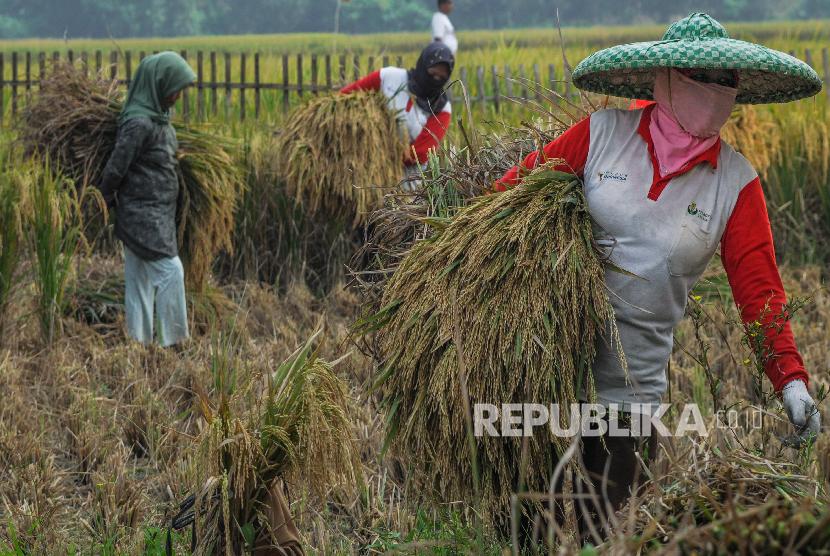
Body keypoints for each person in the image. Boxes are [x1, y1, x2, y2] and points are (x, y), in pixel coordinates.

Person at [495, 13, 823, 543]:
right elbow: (512, 199)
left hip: (631, 396)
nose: (715, 89)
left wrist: (790, 379)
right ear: (665, 77)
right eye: (700, 74)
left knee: (608, 536)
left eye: (726, 79)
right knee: (526, 534)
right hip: (545, 378)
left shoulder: (735, 183)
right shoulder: (602, 136)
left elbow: (760, 290)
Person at [98, 51, 195, 348]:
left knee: (139, 276)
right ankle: (175, 342)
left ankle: (138, 345)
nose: (178, 95)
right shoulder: (138, 123)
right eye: (175, 88)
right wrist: (102, 197)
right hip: (142, 212)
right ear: (159, 83)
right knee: (170, 271)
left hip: (158, 211)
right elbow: (117, 165)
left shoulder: (158, 119)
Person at [340, 42, 455, 190]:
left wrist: (382, 157)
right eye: (432, 73)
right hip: (365, 165)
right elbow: (348, 95)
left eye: (441, 76)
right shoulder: (389, 77)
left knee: (395, 208)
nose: (435, 78)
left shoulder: (442, 108)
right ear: (423, 65)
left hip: (406, 178)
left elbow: (421, 152)